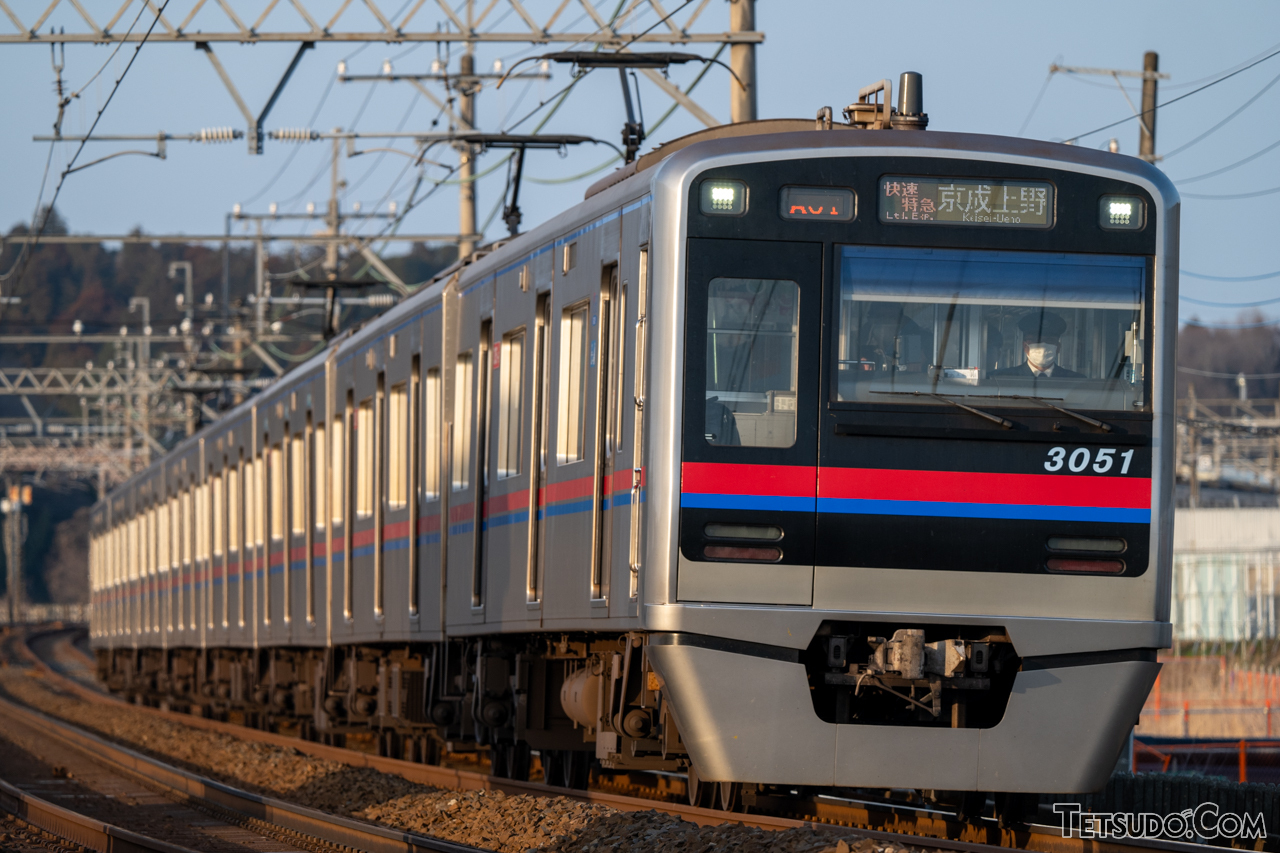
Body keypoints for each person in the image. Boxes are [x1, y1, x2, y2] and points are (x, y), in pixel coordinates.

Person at [990, 311, 1085, 379]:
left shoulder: (1076, 380)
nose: (1043, 345)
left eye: (1049, 340)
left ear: (1058, 347)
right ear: (1025, 346)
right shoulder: (1002, 377)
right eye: (1036, 340)